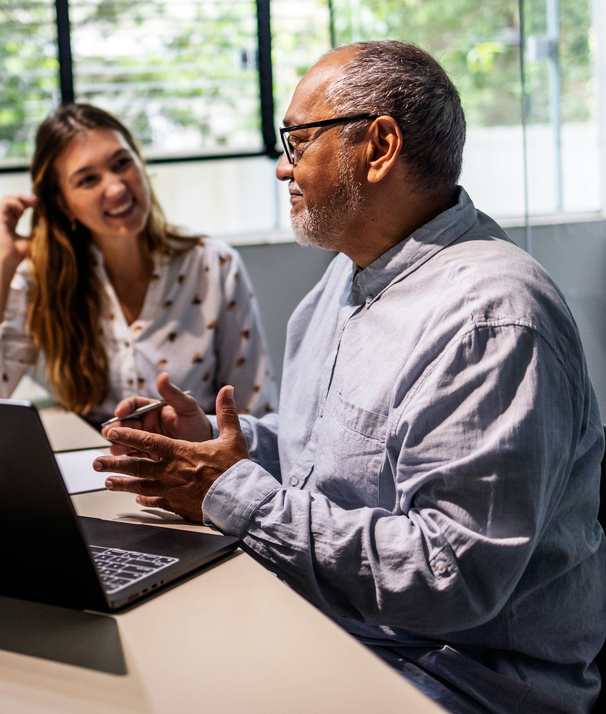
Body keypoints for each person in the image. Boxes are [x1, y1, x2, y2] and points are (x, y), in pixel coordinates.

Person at [95, 42, 606, 713]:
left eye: (298, 140)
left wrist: (231, 491)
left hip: (458, 682)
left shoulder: (491, 320)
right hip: (349, 633)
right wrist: (227, 445)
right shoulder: (343, 280)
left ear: (380, 146)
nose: (282, 167)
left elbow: (448, 576)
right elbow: (329, 459)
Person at [0, 102, 277, 426]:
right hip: (94, 471)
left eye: (122, 163)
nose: (117, 187)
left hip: (196, 469)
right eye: (88, 180)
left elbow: (254, 412)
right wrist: (3, 262)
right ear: (64, 203)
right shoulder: (41, 282)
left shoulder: (214, 266)